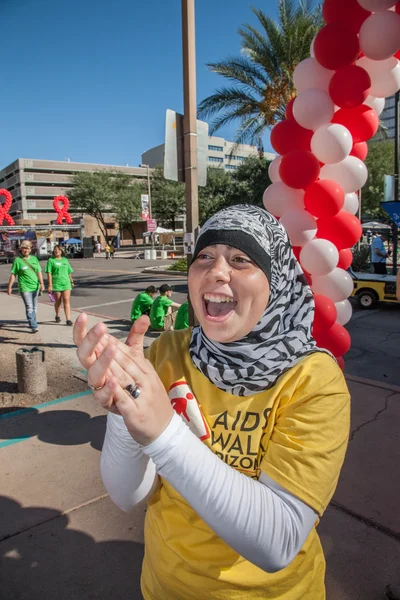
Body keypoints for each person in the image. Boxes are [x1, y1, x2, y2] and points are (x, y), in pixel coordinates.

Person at [73, 205, 350, 600]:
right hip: (163, 586)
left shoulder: (312, 380)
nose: (216, 271)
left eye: (241, 259)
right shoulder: (167, 351)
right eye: (204, 257)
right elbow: (127, 495)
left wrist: (164, 433)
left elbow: (279, 541)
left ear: (277, 283)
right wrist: (124, 411)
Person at [7, 240, 44, 333]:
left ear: (30, 249)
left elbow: (39, 272)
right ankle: (33, 325)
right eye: (24, 248)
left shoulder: (34, 259)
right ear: (21, 249)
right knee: (29, 306)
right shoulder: (18, 260)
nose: (26, 250)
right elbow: (13, 274)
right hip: (25, 287)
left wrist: (42, 283)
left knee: (35, 307)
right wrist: (9, 287)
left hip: (35, 286)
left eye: (27, 248)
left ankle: (32, 321)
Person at [45, 245, 74, 326]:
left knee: (66, 300)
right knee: (58, 301)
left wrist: (71, 281)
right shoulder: (51, 260)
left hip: (66, 283)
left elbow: (69, 272)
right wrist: (50, 285)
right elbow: (49, 273)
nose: (56, 251)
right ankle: (57, 315)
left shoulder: (65, 260)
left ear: (61, 251)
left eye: (58, 249)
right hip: (56, 284)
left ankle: (68, 319)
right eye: (55, 249)